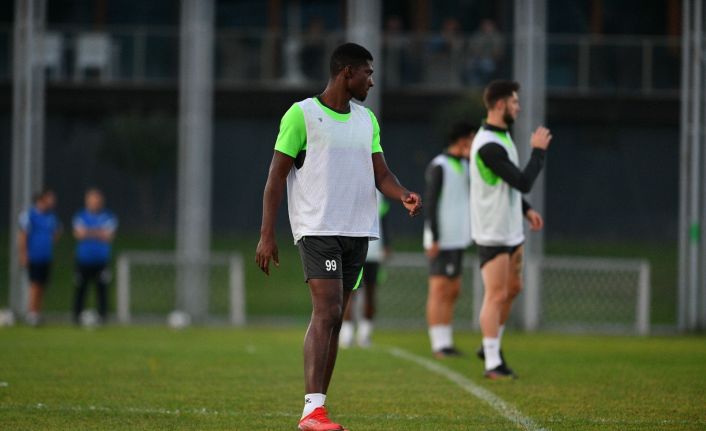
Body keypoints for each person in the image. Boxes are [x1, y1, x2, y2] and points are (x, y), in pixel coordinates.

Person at [255, 42, 422, 431]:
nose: (372, 82)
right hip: (318, 230)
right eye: (368, 73)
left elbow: (381, 173)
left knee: (336, 320)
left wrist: (402, 195)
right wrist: (267, 234)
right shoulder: (302, 115)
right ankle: (311, 413)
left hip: (358, 232)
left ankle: (317, 409)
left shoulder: (367, 120)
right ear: (348, 72)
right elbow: (275, 177)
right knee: (328, 311)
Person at [470, 80, 552, 379]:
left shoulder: (502, 137)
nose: (518, 107)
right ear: (500, 105)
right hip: (493, 230)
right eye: (514, 102)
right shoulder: (488, 145)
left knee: (513, 288)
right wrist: (538, 152)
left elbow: (509, 186)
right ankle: (493, 362)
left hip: (510, 226)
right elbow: (522, 181)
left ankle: (489, 344)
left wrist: (525, 209)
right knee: (496, 294)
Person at [424, 122, 474, 358]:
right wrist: (434, 237)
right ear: (463, 140)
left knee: (453, 290)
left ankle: (447, 340)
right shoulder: (439, 165)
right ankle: (438, 344)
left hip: (458, 237)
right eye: (472, 138)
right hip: (441, 239)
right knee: (439, 290)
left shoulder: (466, 165)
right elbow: (431, 203)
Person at [340, 191, 390, 349]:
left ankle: (365, 333)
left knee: (370, 292)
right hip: (353, 249)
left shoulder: (379, 192)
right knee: (350, 292)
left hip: (374, 251)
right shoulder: (349, 187)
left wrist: (387, 244)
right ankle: (347, 333)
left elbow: (383, 219)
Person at [72, 188, 118, 326]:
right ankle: (77, 316)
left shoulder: (109, 216)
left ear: (101, 202)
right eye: (92, 200)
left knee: (102, 290)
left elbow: (109, 236)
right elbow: (79, 234)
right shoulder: (80, 215)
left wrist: (88, 232)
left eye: (97, 200)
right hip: (83, 260)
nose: (94, 203)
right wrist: (99, 232)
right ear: (87, 201)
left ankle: (102, 317)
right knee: (81, 289)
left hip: (102, 261)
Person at [17, 189, 61, 326]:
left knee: (42, 285)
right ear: (42, 199)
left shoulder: (51, 216)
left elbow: (57, 232)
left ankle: (37, 312)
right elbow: (23, 236)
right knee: (35, 285)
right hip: (34, 256)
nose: (52, 201)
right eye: (50, 198)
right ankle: (31, 313)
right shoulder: (29, 215)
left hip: (45, 256)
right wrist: (23, 254)